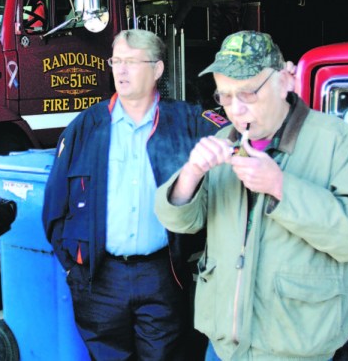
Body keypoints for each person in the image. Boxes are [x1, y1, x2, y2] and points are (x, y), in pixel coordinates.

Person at [154, 30, 348, 361]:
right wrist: (191, 173)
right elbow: (181, 222)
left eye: (248, 93)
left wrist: (281, 188)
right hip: (223, 345)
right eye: (225, 96)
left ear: (286, 80)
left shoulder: (337, 141)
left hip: (295, 347)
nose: (236, 109)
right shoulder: (224, 138)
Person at [42, 29, 228, 360]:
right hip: (100, 279)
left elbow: (239, 144)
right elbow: (55, 209)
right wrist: (74, 269)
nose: (121, 70)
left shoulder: (189, 122)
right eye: (116, 61)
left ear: (157, 69)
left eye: (131, 61)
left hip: (162, 275)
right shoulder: (86, 127)